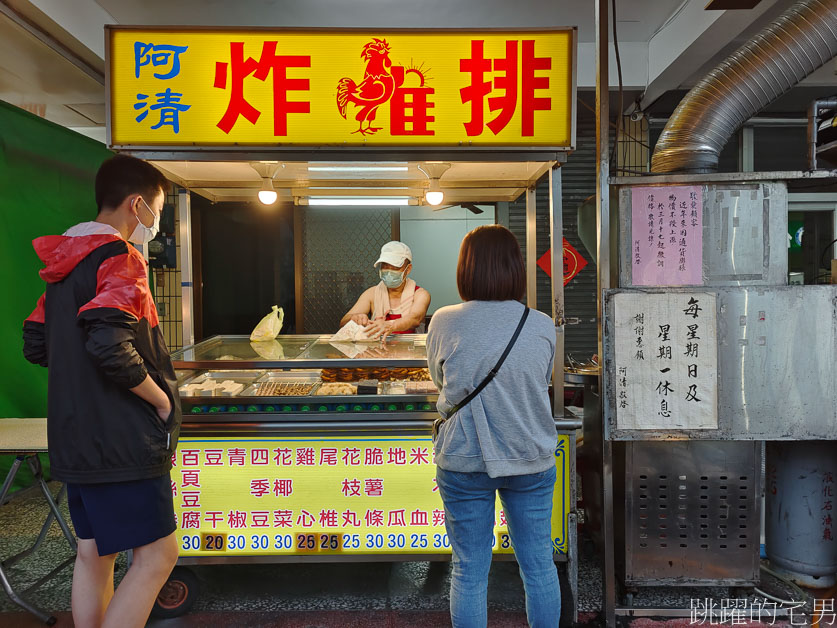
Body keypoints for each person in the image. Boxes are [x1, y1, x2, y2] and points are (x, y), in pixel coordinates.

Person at [22, 154, 181, 628]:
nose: (155, 223)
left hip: (75, 434)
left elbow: (36, 344)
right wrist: (161, 399)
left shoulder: (63, 262)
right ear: (137, 204)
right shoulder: (119, 258)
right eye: (156, 210)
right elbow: (109, 345)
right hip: (121, 439)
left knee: (95, 552)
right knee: (157, 555)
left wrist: (80, 372)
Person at [426, 225, 561, 628]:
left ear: (465, 269)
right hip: (530, 456)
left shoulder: (444, 320)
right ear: (516, 269)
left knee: (469, 569)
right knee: (538, 566)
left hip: (464, 456)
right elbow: (540, 380)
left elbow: (439, 378)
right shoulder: (539, 323)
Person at [340, 240, 431, 339]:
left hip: (409, 352)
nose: (389, 272)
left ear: (408, 269)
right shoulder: (372, 293)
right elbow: (343, 322)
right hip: (377, 352)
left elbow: (415, 319)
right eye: (385, 267)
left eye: (395, 268)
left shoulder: (420, 294)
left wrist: (390, 325)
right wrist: (354, 318)